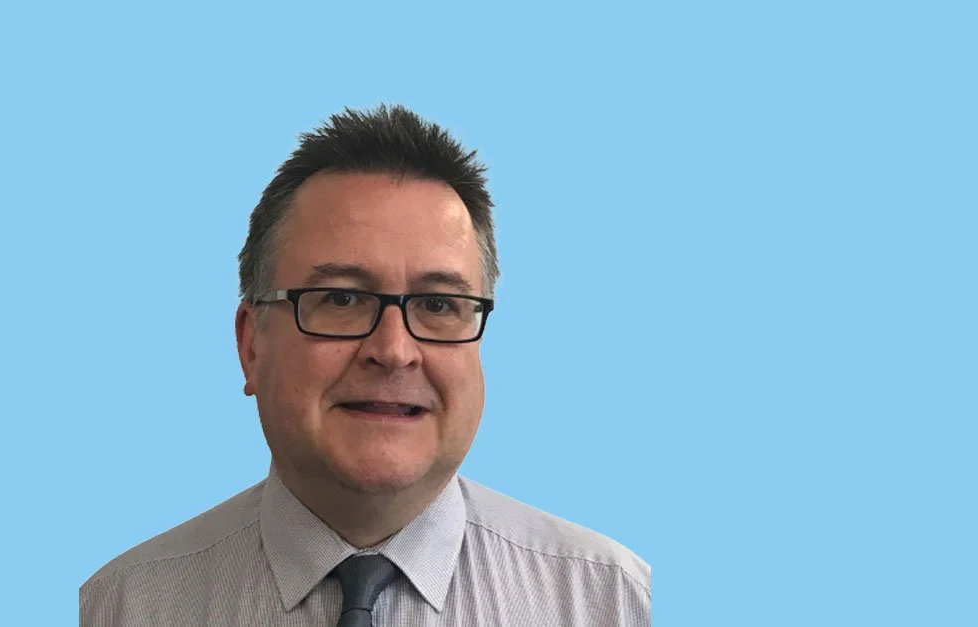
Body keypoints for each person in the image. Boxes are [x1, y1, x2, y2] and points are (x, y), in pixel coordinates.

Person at [79, 105, 651, 626]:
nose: (395, 350)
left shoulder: (614, 601)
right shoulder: (119, 607)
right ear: (251, 344)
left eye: (437, 305)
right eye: (343, 299)